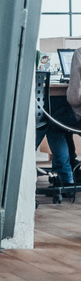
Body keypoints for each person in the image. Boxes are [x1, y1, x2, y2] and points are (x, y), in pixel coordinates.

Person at [38, 47, 81, 186]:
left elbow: (74, 99)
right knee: (61, 120)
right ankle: (74, 168)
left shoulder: (79, 53)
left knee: (54, 121)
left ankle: (64, 177)